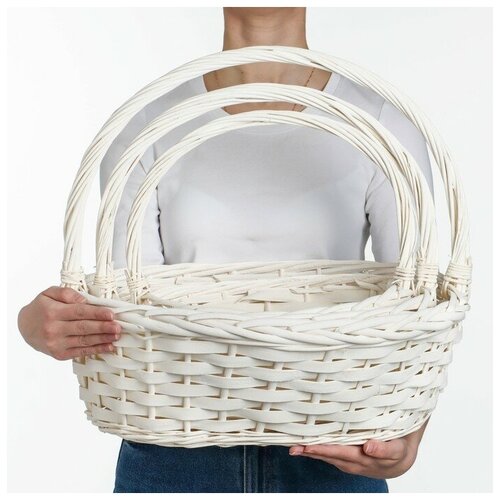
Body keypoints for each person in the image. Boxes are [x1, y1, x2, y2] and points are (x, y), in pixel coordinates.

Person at [17, 6, 434, 493]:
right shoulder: (149, 125)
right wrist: (37, 324)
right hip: (173, 445)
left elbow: (418, 303)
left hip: (332, 443)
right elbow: (126, 307)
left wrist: (408, 438)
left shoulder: (379, 124)